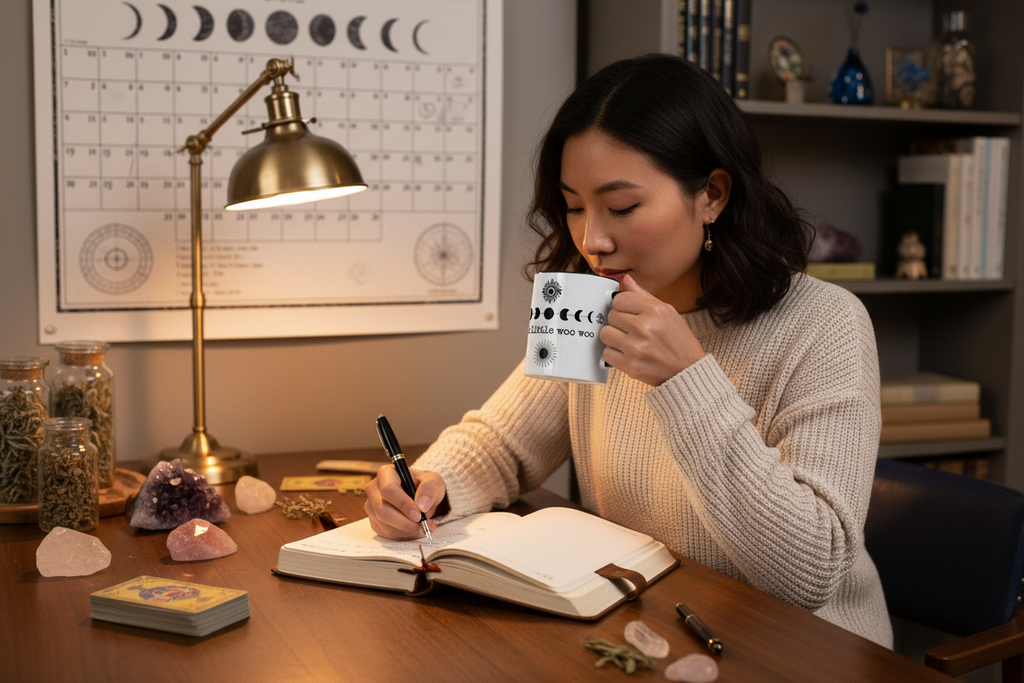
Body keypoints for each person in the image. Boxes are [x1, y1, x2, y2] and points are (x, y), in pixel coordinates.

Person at [364, 53, 892, 648]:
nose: (592, 239)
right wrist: (432, 486)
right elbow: (502, 444)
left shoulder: (825, 323)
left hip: (799, 651)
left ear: (712, 195)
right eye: (572, 205)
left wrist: (686, 378)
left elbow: (810, 572)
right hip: (646, 626)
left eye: (621, 207)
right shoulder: (589, 301)